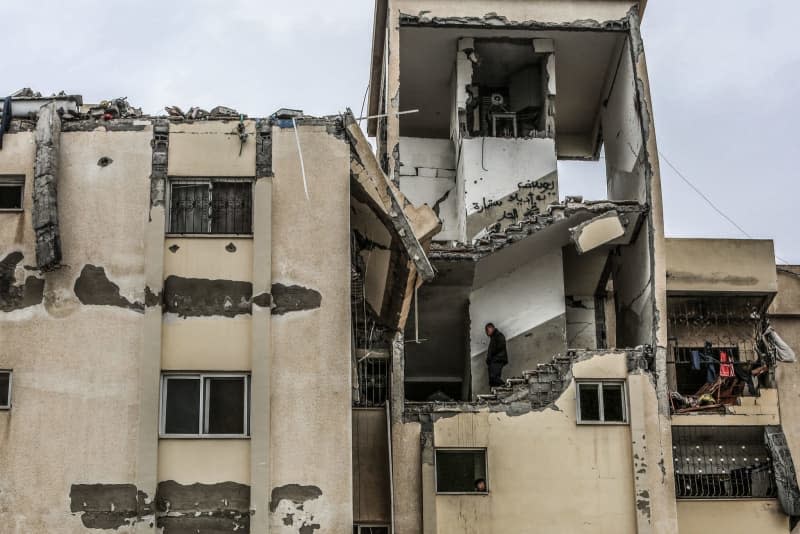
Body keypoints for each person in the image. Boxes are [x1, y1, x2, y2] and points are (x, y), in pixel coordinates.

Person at [485, 323, 508, 388]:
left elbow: (500, 345)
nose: (486, 332)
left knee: (493, 377)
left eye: (487, 330)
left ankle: (506, 387)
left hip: (498, 359)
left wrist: (491, 356)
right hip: (495, 360)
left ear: (491, 328)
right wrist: (488, 359)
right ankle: (496, 390)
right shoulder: (493, 337)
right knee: (492, 380)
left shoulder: (498, 335)